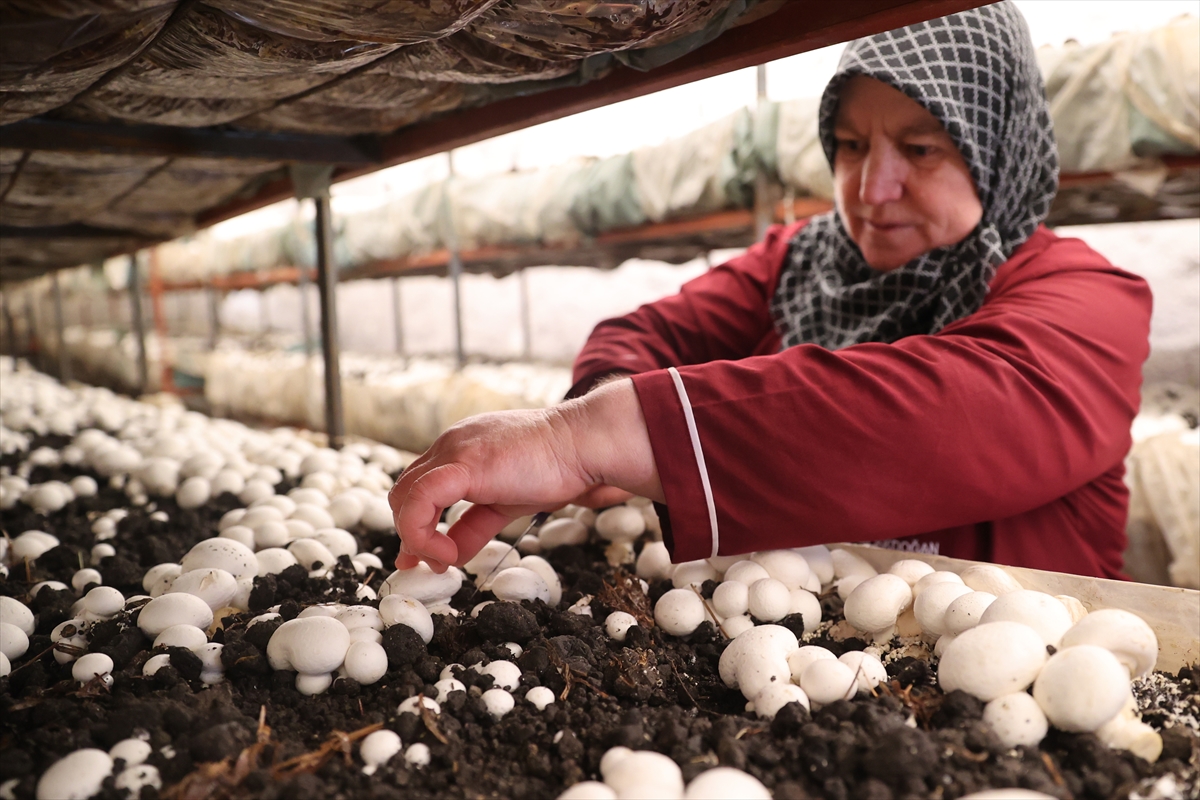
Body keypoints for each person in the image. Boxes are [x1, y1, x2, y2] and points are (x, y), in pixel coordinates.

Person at [389, 1, 1151, 581]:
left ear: (999, 148)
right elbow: (646, 333)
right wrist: (600, 413)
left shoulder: (1088, 301)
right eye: (849, 147)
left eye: (920, 148)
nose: (871, 187)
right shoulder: (800, 262)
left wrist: (590, 439)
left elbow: (951, 419)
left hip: (1018, 698)